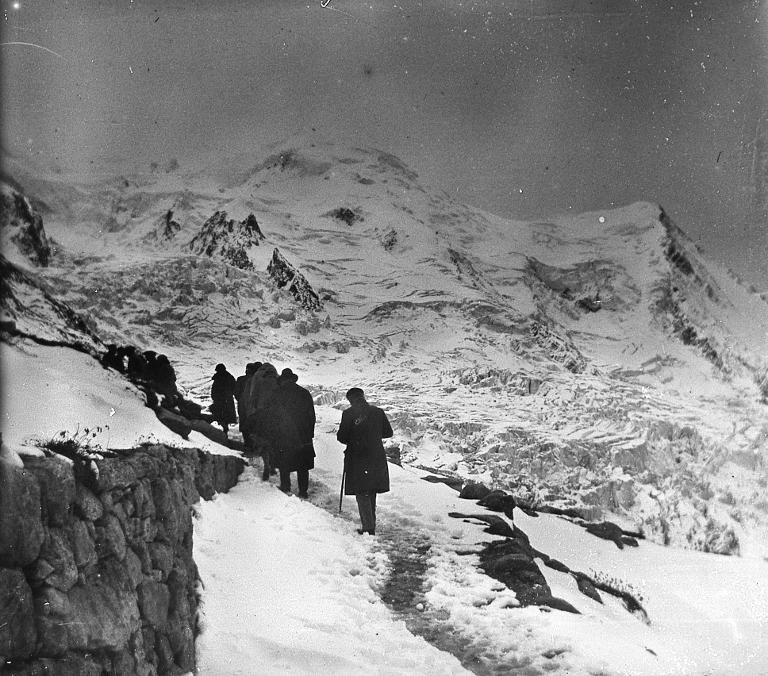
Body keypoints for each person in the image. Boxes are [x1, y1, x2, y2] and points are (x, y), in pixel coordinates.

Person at [336, 387, 393, 535]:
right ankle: (370, 523)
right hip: (376, 456)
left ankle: (368, 528)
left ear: (350, 399)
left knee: (361, 491)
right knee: (371, 489)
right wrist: (373, 434)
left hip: (357, 457)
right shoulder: (378, 412)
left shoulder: (348, 414)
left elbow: (342, 437)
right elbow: (388, 432)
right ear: (362, 397)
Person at [275, 368, 316, 498]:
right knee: (302, 465)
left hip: (284, 434)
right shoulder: (304, 393)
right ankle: (303, 491)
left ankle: (285, 486)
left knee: (284, 461)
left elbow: (274, 416)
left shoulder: (278, 393)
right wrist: (310, 433)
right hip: (303, 434)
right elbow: (311, 416)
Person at [210, 363, 237, 438]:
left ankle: (224, 432)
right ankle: (225, 431)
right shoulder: (229, 377)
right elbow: (234, 387)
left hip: (220, 400)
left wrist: (214, 396)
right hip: (226, 400)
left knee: (221, 416)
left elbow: (214, 389)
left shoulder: (218, 378)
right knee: (224, 416)